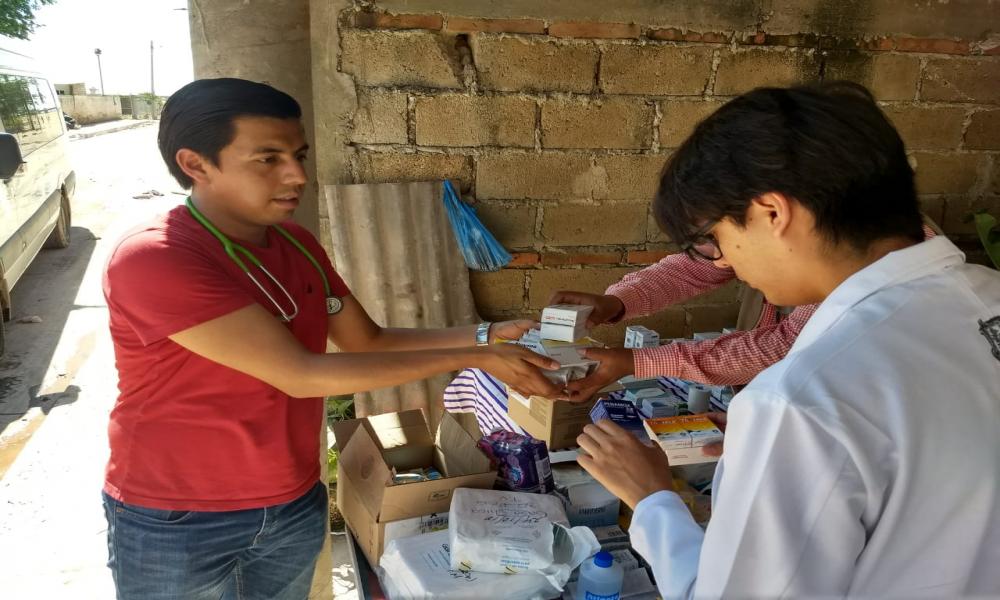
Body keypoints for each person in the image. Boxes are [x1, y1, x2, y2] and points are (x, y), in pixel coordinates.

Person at [100, 78, 560, 600]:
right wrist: (477, 356)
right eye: (267, 158)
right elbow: (301, 374)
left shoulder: (296, 243)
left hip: (292, 499)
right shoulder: (157, 258)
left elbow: (367, 340)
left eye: (298, 155)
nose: (297, 175)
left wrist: (486, 332)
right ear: (196, 164)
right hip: (179, 515)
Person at [576, 82, 1000, 598]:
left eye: (717, 239)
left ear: (772, 213)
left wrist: (653, 500)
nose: (724, 262)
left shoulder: (799, 402)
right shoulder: (981, 293)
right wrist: (617, 302)